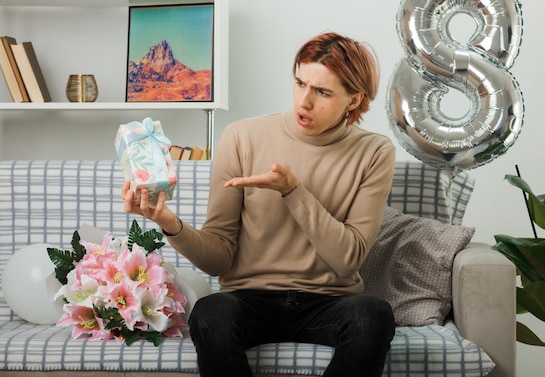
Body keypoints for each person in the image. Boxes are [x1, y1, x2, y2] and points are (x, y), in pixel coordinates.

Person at [122, 31, 396, 377]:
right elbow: (218, 257)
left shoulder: (375, 152)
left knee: (372, 314)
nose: (304, 101)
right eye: (300, 83)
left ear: (353, 100)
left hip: (329, 302)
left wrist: (293, 191)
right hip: (250, 300)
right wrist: (168, 222)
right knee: (210, 312)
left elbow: (347, 260)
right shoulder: (241, 137)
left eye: (322, 92)